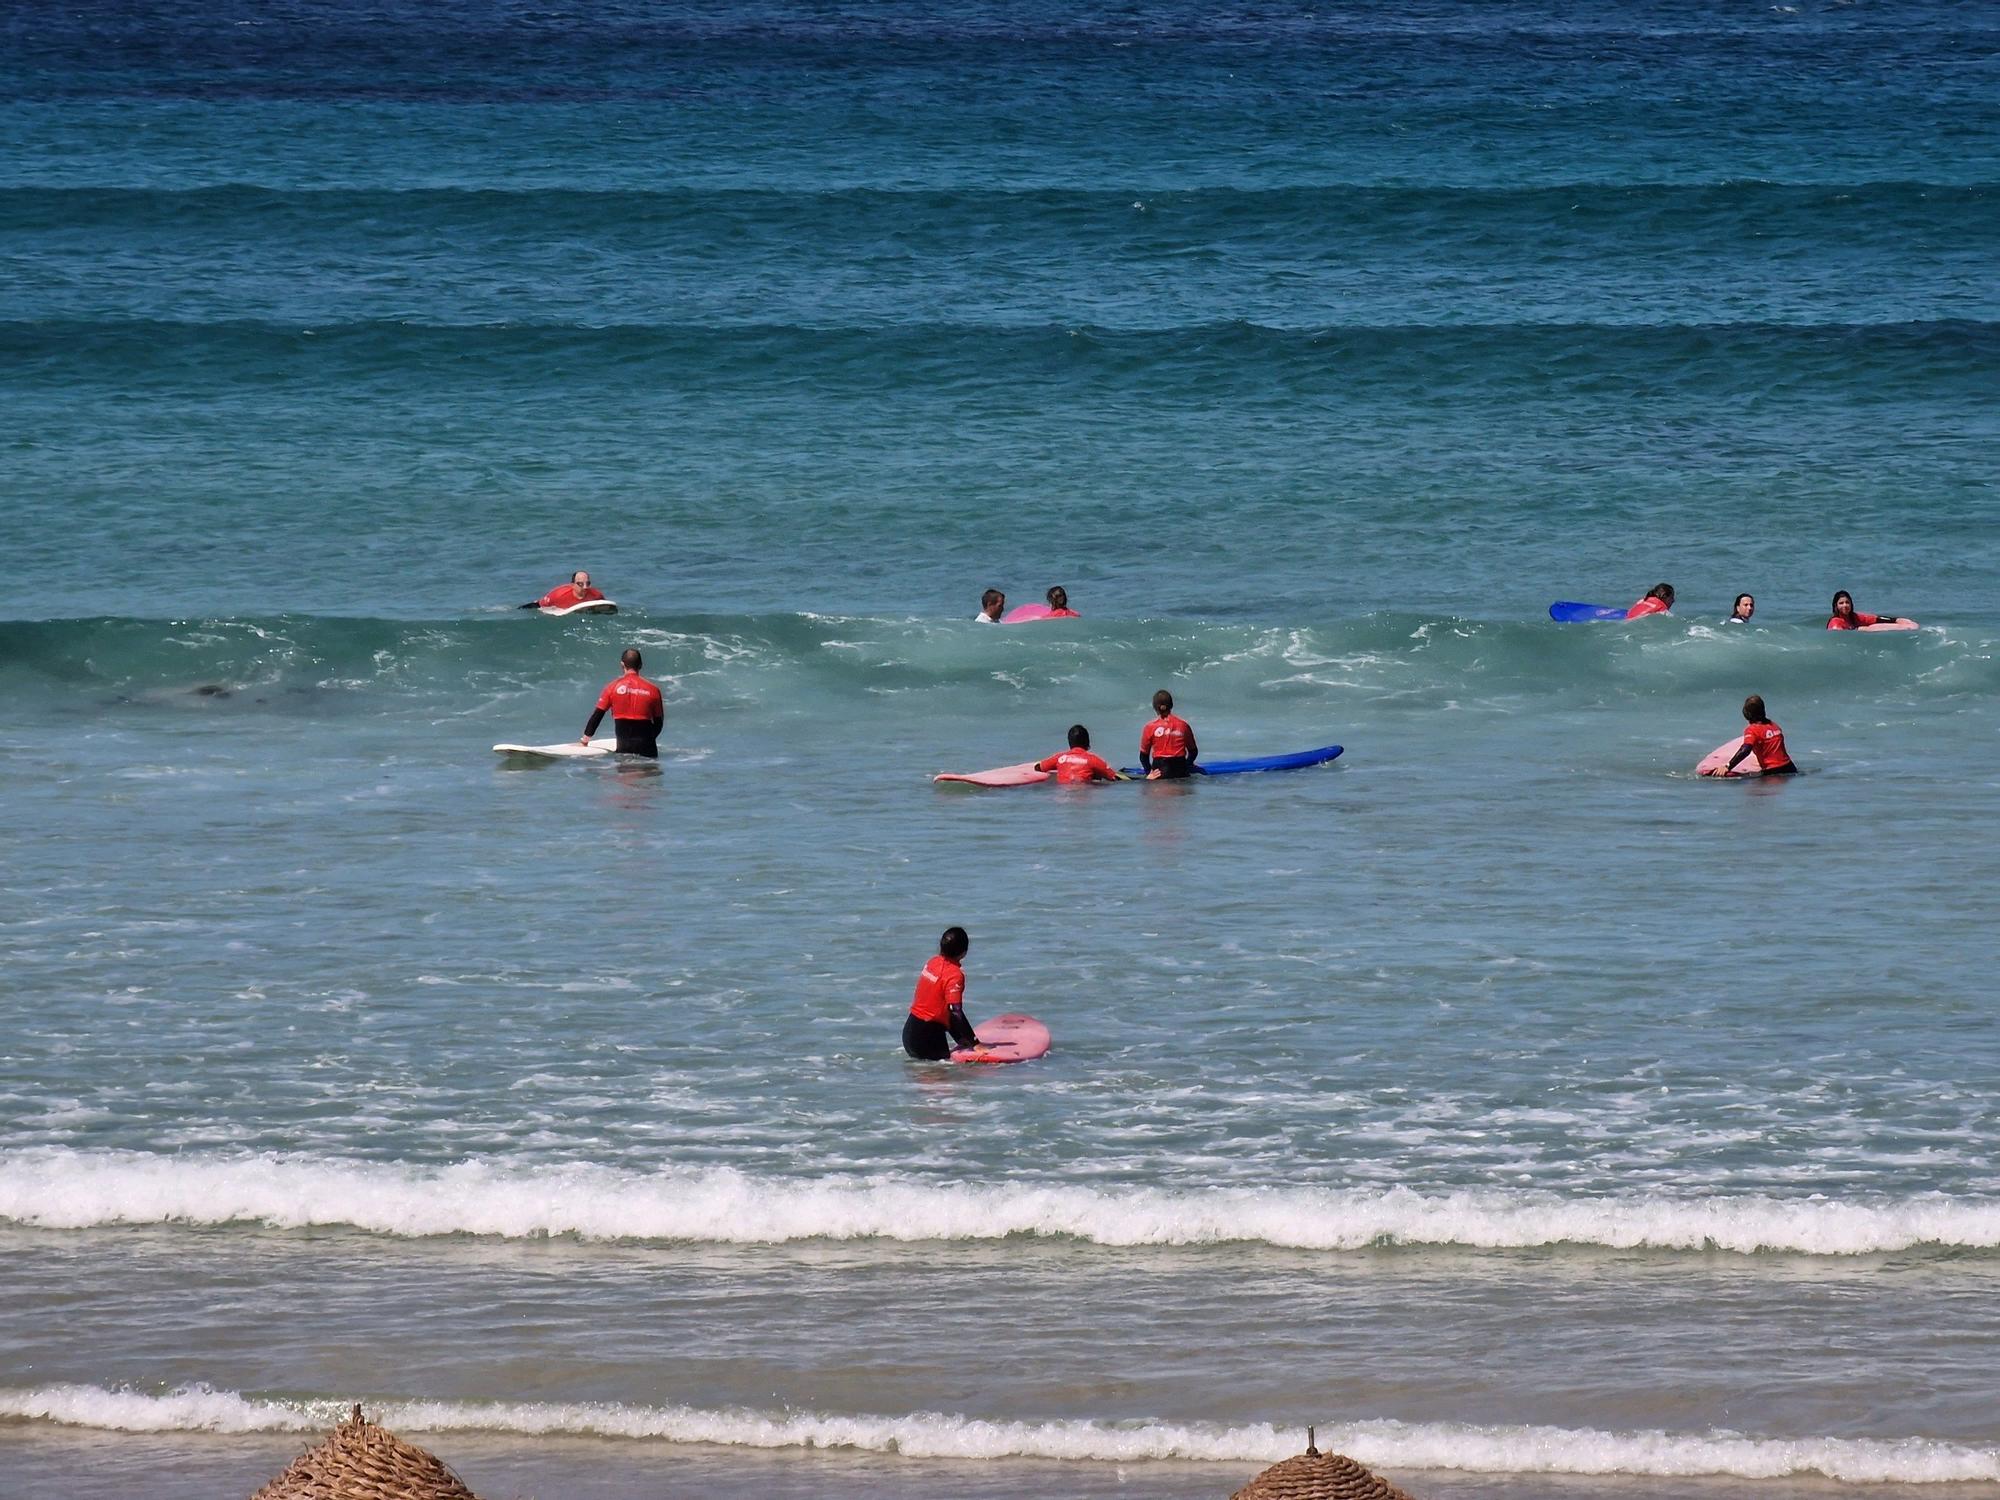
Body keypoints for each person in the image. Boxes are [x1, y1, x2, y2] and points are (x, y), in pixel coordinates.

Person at [904, 926, 984, 1060]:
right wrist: (975, 1043)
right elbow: (955, 1011)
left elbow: (942, 1008)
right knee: (946, 1079)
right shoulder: (955, 975)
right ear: (964, 952)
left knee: (921, 1077)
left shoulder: (932, 962)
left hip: (909, 1035)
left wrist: (961, 1039)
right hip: (928, 1039)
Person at [580, 647, 664, 757]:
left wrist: (585, 740)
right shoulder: (653, 689)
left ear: (622, 664)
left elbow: (597, 716)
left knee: (625, 773)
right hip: (648, 749)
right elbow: (659, 723)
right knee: (649, 773)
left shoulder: (612, 687)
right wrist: (647, 740)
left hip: (624, 749)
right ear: (641, 665)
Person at [1707, 694, 1798, 777]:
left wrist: (1727, 766)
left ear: (1747, 714)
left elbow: (1745, 749)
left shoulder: (1752, 730)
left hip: (1773, 773)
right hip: (1790, 768)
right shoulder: (1775, 726)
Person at [1139, 689, 1200, 780]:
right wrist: (1188, 765)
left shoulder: (1149, 727)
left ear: (1155, 707)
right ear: (1171, 705)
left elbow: (1143, 757)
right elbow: (1193, 752)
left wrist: (1148, 773)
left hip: (1160, 774)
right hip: (1181, 772)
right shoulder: (1183, 725)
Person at [1035, 725, 1126, 784]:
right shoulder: (1093, 759)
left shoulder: (1060, 758)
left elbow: (1039, 767)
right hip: (1084, 791)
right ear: (1088, 743)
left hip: (1063, 793)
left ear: (1069, 742)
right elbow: (1114, 777)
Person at [522, 571, 605, 611]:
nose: (585, 587)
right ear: (573, 585)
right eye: (580, 584)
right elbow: (539, 604)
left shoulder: (596, 595)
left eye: (588, 583)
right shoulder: (559, 594)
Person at [1826, 590, 1904, 630]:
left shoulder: (1854, 617)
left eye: (1847, 602)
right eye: (1841, 603)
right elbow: (1838, 639)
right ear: (1836, 606)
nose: (1845, 605)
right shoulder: (1835, 622)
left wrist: (1895, 620)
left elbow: (1873, 619)